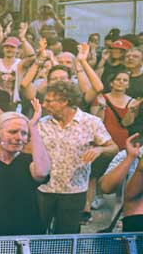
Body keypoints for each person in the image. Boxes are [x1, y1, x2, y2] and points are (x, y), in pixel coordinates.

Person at [34, 80, 115, 234]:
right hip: (44, 189)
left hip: (74, 191)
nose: (44, 105)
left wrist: (99, 149)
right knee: (36, 233)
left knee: (67, 236)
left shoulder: (91, 122)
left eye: (49, 101)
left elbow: (113, 148)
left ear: (64, 101)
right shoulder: (41, 123)